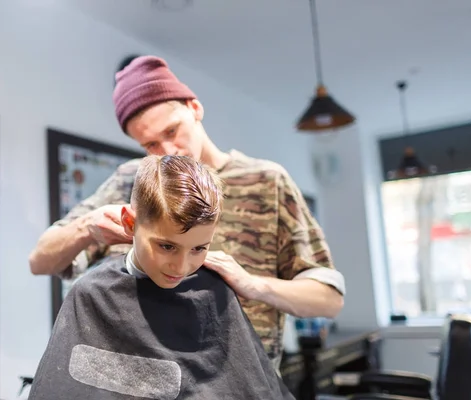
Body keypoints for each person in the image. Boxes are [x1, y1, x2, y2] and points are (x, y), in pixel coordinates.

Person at [29, 55, 346, 370]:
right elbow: (40, 262)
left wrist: (254, 285)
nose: (167, 151)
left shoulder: (267, 182)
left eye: (171, 132)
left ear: (194, 107)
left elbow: (329, 300)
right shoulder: (132, 181)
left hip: (244, 384)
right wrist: (87, 226)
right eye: (150, 144)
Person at [29, 155, 295, 400]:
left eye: (199, 248)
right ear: (130, 223)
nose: (181, 266)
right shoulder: (91, 295)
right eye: (167, 246)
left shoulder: (215, 294)